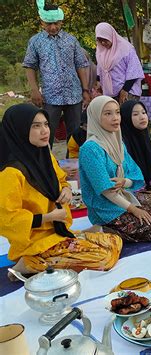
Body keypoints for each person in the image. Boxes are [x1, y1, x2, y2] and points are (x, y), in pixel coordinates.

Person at [0, 104, 122, 275]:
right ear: (19, 130)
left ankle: (72, 241)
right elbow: (7, 219)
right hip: (34, 242)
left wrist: (66, 190)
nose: (44, 131)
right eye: (36, 126)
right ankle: (30, 263)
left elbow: (61, 179)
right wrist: (48, 217)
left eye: (46, 124)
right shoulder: (10, 173)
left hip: (56, 231)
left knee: (114, 240)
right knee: (104, 259)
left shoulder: (44, 155)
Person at [79, 96, 151, 242]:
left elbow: (134, 173)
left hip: (123, 198)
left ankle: (111, 231)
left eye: (117, 112)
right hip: (104, 208)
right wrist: (133, 209)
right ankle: (101, 230)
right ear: (95, 117)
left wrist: (124, 181)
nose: (115, 118)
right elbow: (106, 190)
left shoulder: (117, 142)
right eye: (108, 114)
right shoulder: (90, 149)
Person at [23, 1, 91, 147]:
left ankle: (75, 165)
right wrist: (35, 91)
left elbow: (81, 65)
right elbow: (29, 66)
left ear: (61, 22)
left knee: (76, 135)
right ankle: (47, 167)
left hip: (74, 95)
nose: (53, 27)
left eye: (56, 23)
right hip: (50, 96)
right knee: (46, 134)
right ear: (42, 22)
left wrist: (85, 90)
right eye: (49, 23)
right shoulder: (35, 42)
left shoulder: (71, 40)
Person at [95, 22, 145, 104]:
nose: (103, 43)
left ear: (111, 36)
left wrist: (125, 90)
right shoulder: (101, 51)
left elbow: (134, 71)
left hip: (128, 92)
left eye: (105, 40)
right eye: (100, 40)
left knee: (127, 115)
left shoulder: (126, 49)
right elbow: (100, 68)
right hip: (110, 94)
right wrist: (98, 82)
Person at [120, 100, 151, 190]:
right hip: (130, 192)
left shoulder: (144, 136)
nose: (142, 117)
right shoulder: (122, 144)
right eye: (135, 114)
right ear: (126, 118)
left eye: (143, 112)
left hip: (147, 189)